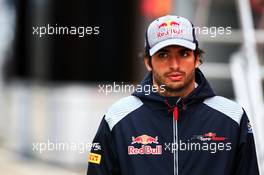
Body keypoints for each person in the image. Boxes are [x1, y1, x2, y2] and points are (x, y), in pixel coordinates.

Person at [86, 15, 260, 175]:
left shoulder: (232, 117)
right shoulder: (118, 117)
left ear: (197, 58)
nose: (175, 64)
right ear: (148, 62)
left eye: (184, 54)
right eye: (163, 55)